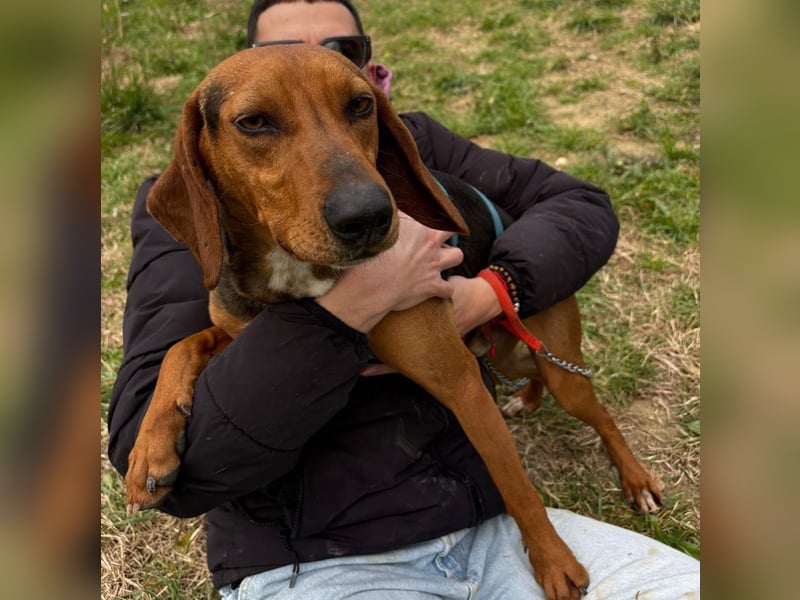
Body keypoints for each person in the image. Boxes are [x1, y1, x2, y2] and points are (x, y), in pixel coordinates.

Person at [107, 1, 700, 598]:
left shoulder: (407, 141)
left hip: (484, 524)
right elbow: (160, 453)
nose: (314, 61)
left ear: (372, 84)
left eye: (346, 71)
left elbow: (580, 205)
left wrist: (492, 292)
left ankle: (613, 445)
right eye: (260, 118)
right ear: (206, 145)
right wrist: (351, 308)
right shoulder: (185, 207)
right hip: (316, 561)